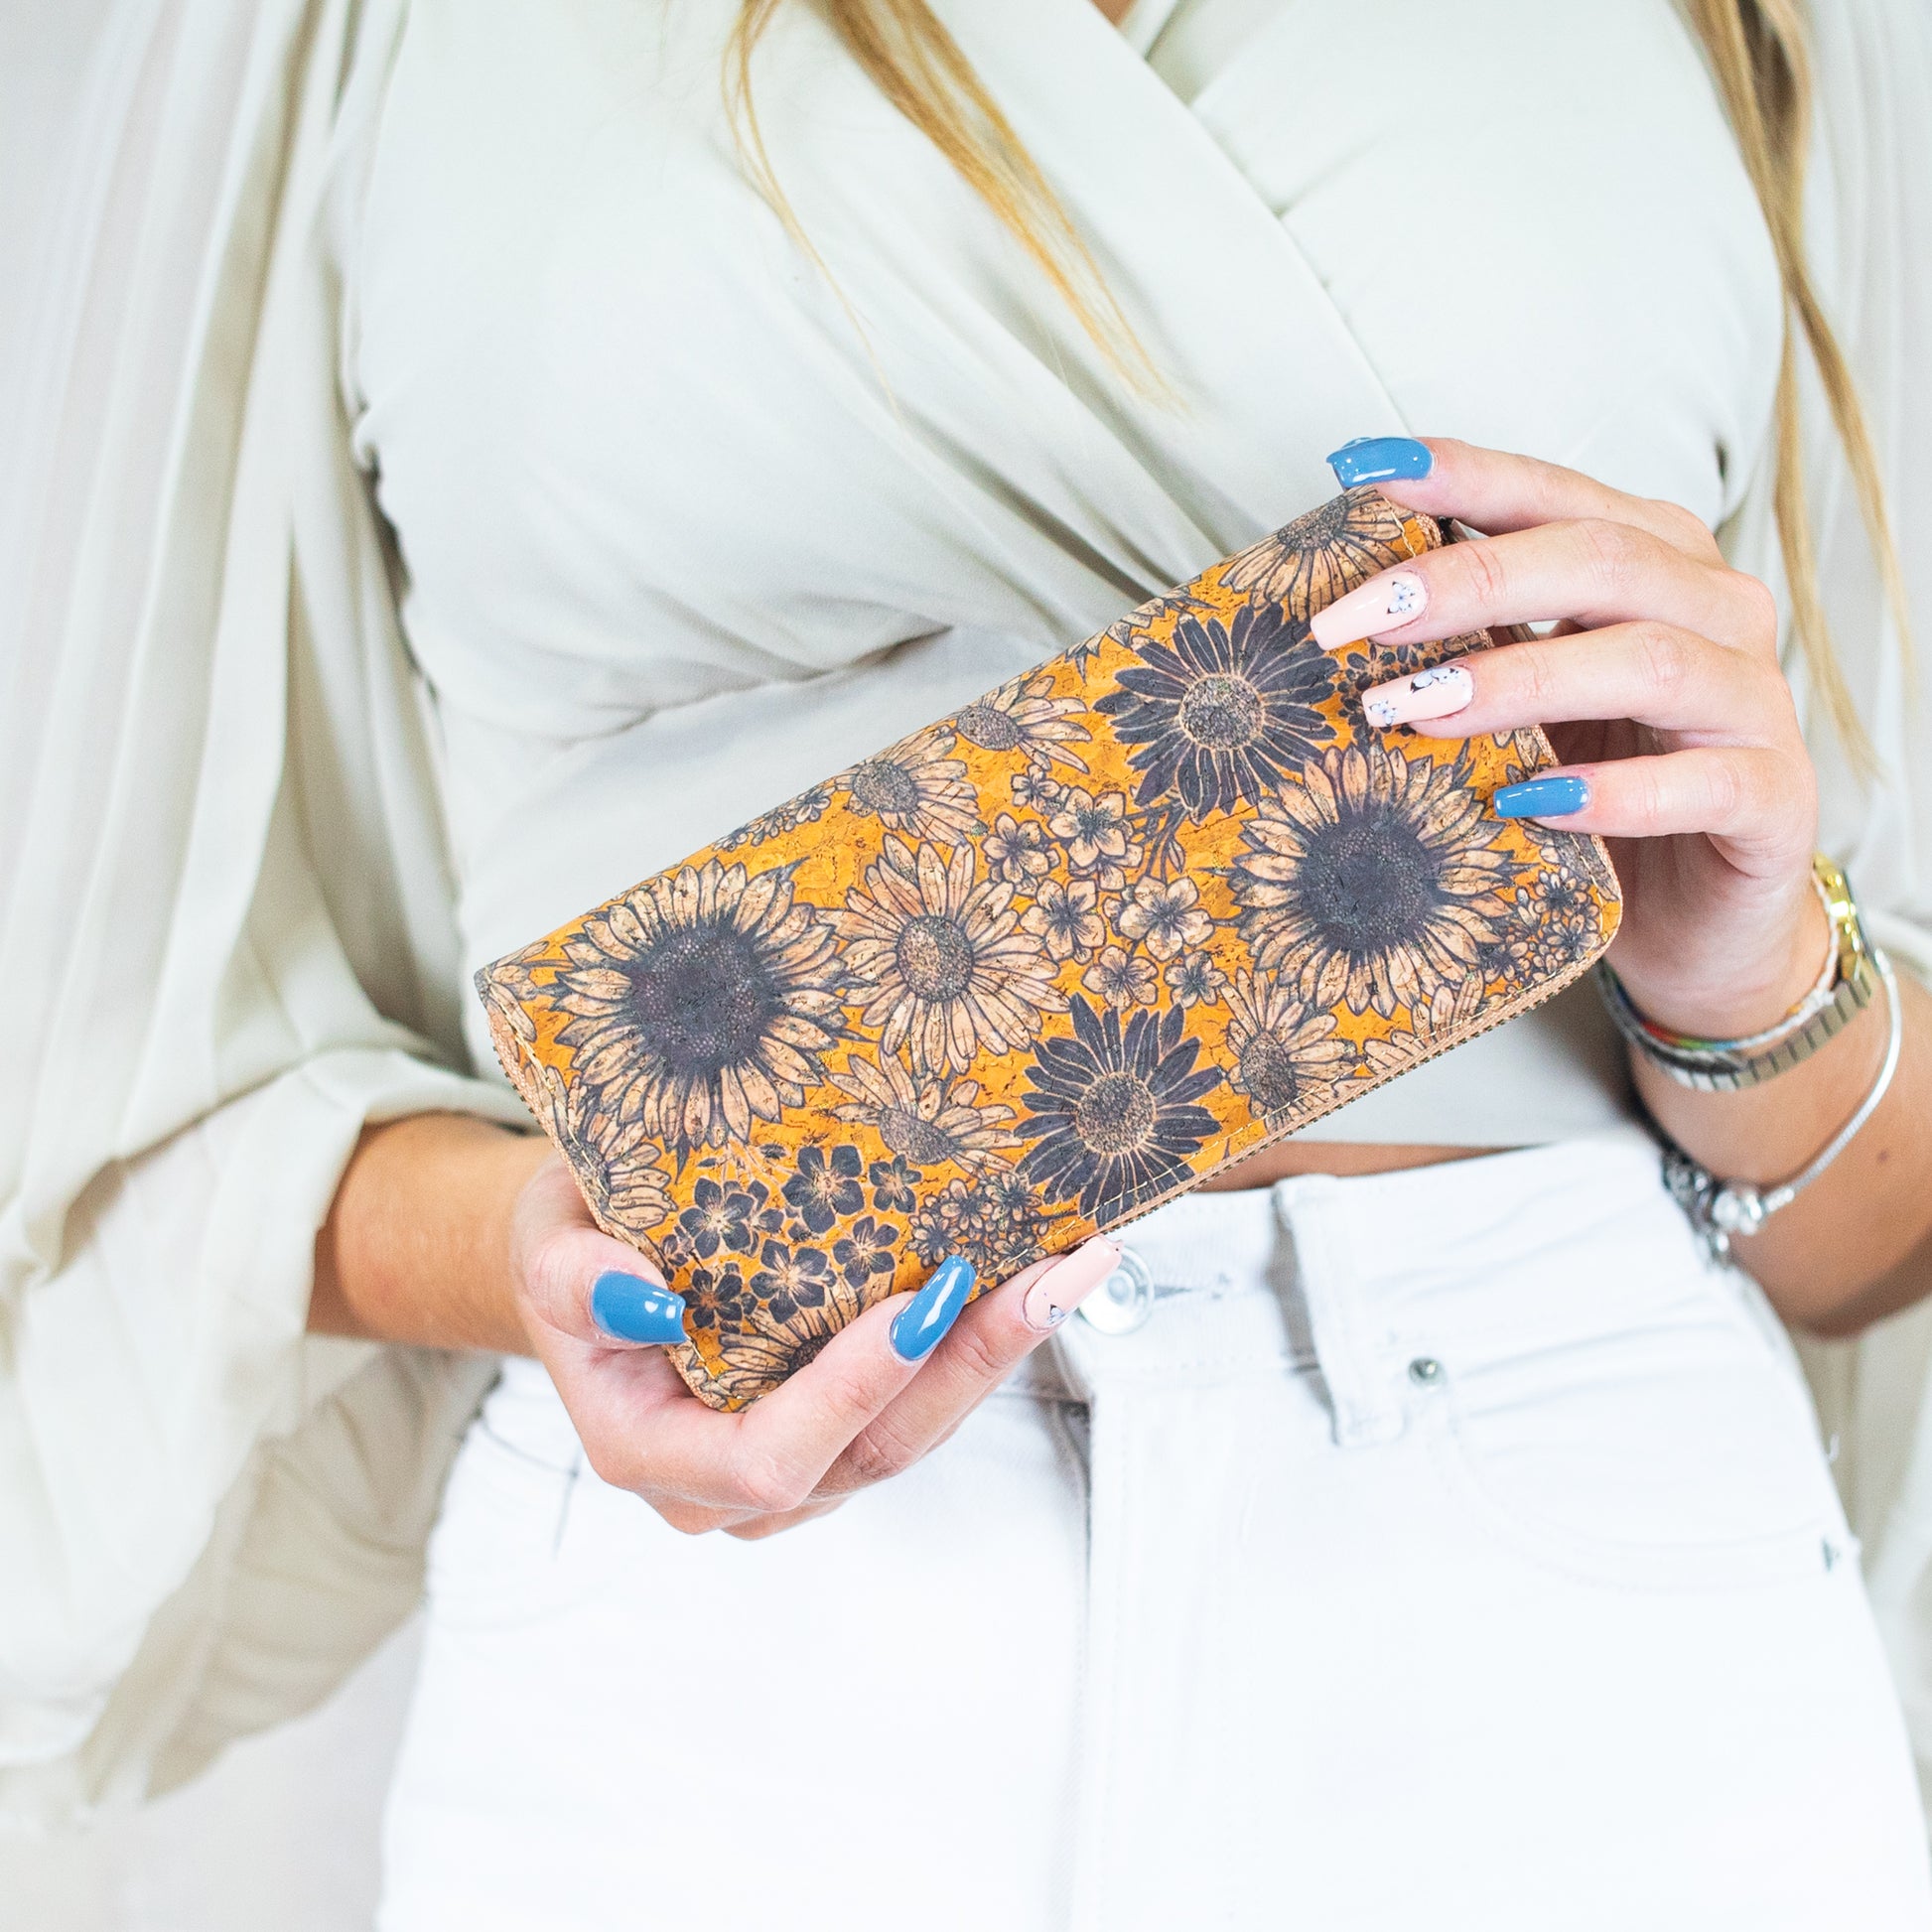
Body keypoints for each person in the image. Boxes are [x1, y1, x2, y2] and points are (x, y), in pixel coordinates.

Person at [5, 0, 1932, 1924]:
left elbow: (1874, 1254)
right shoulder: (338, 38)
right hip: (724, 1620)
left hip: (1586, 1589)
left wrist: (1750, 986)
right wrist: (543, 1251)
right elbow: (129, 1116)